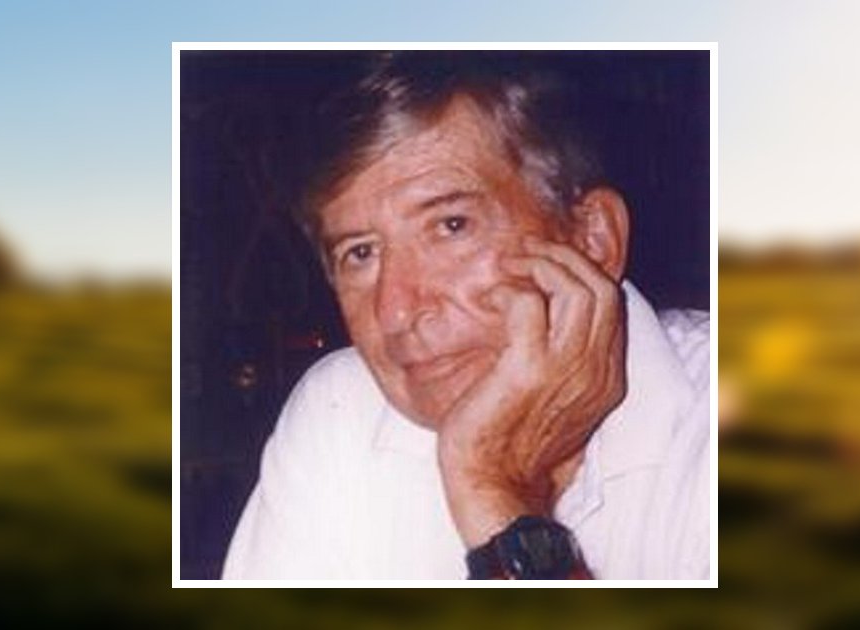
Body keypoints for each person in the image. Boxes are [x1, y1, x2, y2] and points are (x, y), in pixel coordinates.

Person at [221, 52, 709, 580]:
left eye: (451, 226)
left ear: (592, 238)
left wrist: (491, 488)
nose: (397, 310)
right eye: (360, 253)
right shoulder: (342, 413)